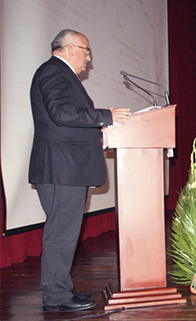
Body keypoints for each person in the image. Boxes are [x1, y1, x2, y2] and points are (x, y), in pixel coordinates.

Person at [29, 29, 131, 311]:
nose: (88, 58)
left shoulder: (57, 74)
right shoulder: (53, 72)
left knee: (64, 233)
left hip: (66, 167)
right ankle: (56, 298)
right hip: (62, 169)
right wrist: (105, 116)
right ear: (70, 48)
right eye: (86, 51)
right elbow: (61, 113)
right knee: (61, 234)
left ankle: (62, 291)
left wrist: (97, 135)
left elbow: (64, 121)